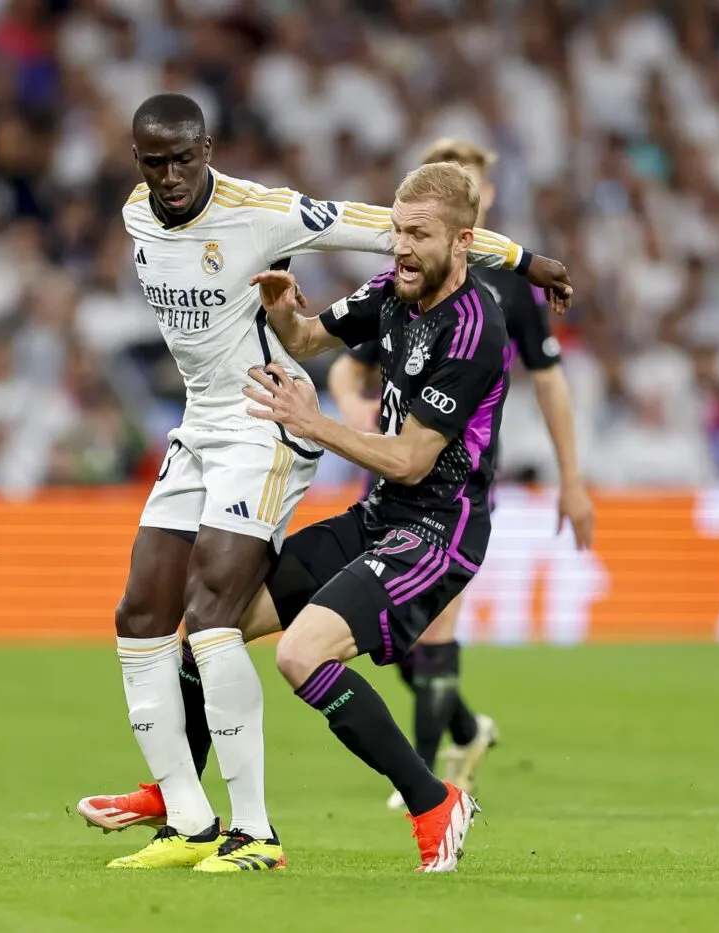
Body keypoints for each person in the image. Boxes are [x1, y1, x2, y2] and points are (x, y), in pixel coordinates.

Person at [97, 94, 572, 872]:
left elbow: (415, 459)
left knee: (299, 655)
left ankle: (432, 802)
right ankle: (181, 803)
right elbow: (314, 336)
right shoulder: (392, 292)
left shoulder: (476, 327)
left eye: (417, 236)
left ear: (463, 244)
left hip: (437, 527)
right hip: (379, 515)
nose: (400, 248)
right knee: (209, 631)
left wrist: (312, 422)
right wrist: (286, 313)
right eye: (396, 233)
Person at [328, 138, 595, 809]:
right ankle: (469, 730)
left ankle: (425, 772)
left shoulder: (508, 289)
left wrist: (572, 478)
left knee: (434, 626)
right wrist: (353, 400)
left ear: (482, 208)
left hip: (457, 482)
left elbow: (552, 384)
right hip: (389, 468)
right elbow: (346, 355)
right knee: (398, 638)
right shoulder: (407, 275)